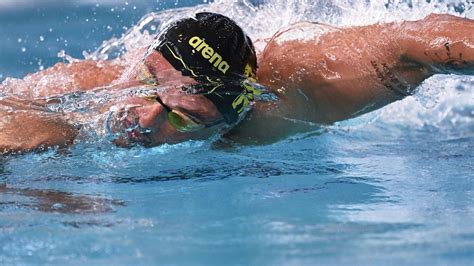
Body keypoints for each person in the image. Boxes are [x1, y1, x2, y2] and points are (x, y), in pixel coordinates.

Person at [0, 12, 472, 154]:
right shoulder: (79, 89)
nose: (142, 118)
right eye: (147, 85)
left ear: (231, 118)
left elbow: (414, 44)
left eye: (185, 118)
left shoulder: (293, 97)